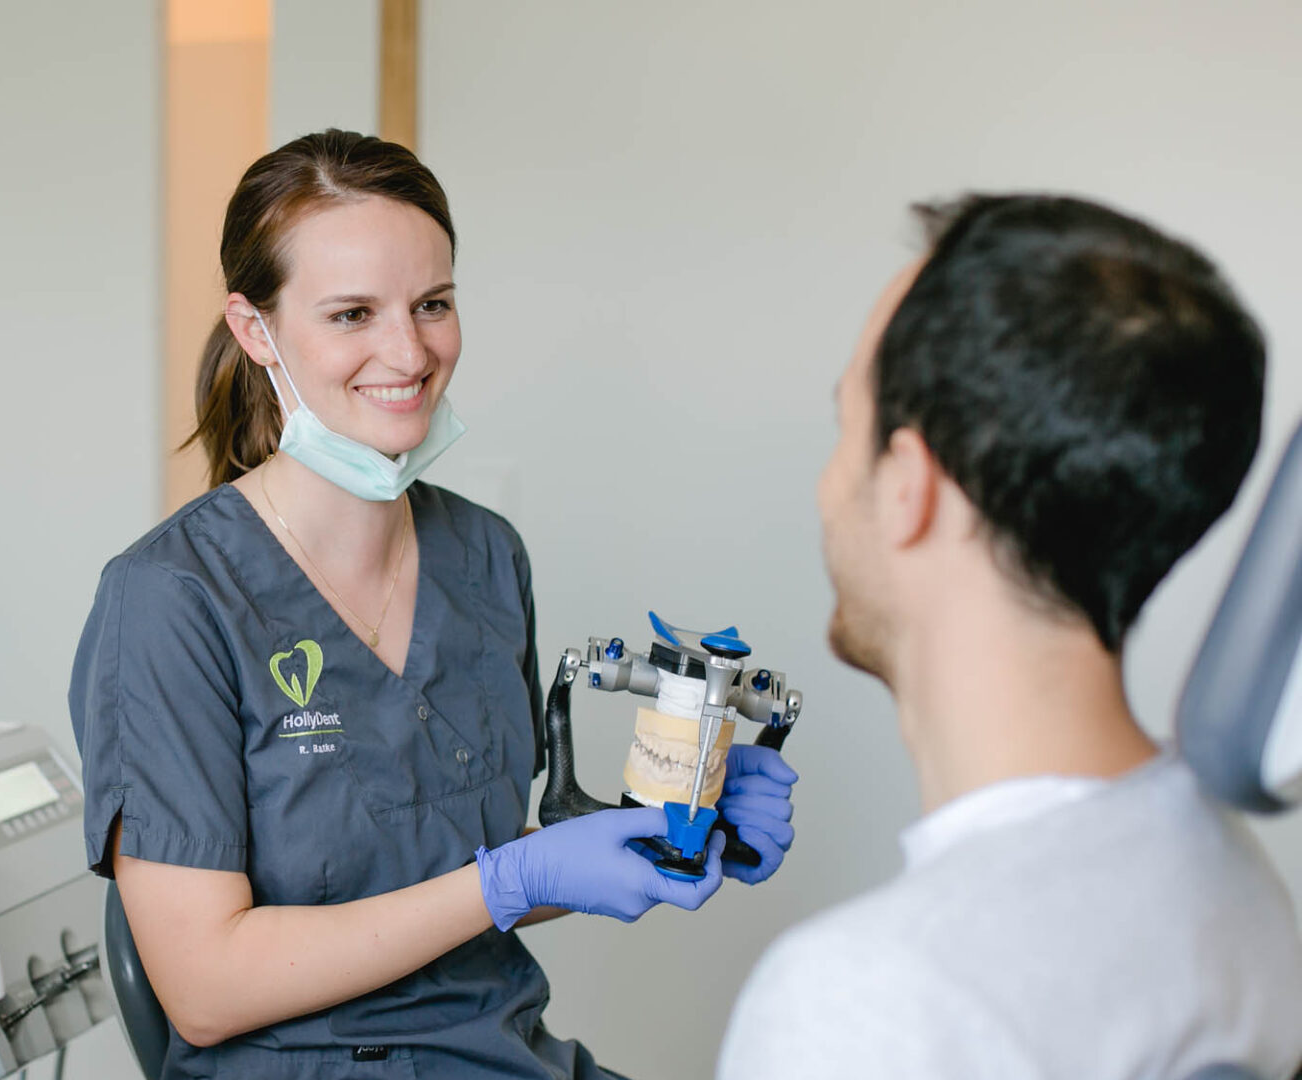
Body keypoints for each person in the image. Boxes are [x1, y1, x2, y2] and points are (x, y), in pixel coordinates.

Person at [69, 130, 799, 1079]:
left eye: (432, 305)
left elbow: (480, 872)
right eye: (351, 315)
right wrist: (511, 881)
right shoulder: (169, 602)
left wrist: (664, 824)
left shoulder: (486, 556)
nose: (407, 351)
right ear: (255, 331)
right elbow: (205, 993)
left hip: (505, 1055)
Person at [716, 194, 1302, 1079]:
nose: (827, 487)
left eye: (847, 429)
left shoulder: (867, 1004)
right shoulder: (1236, 888)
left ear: (910, 486)